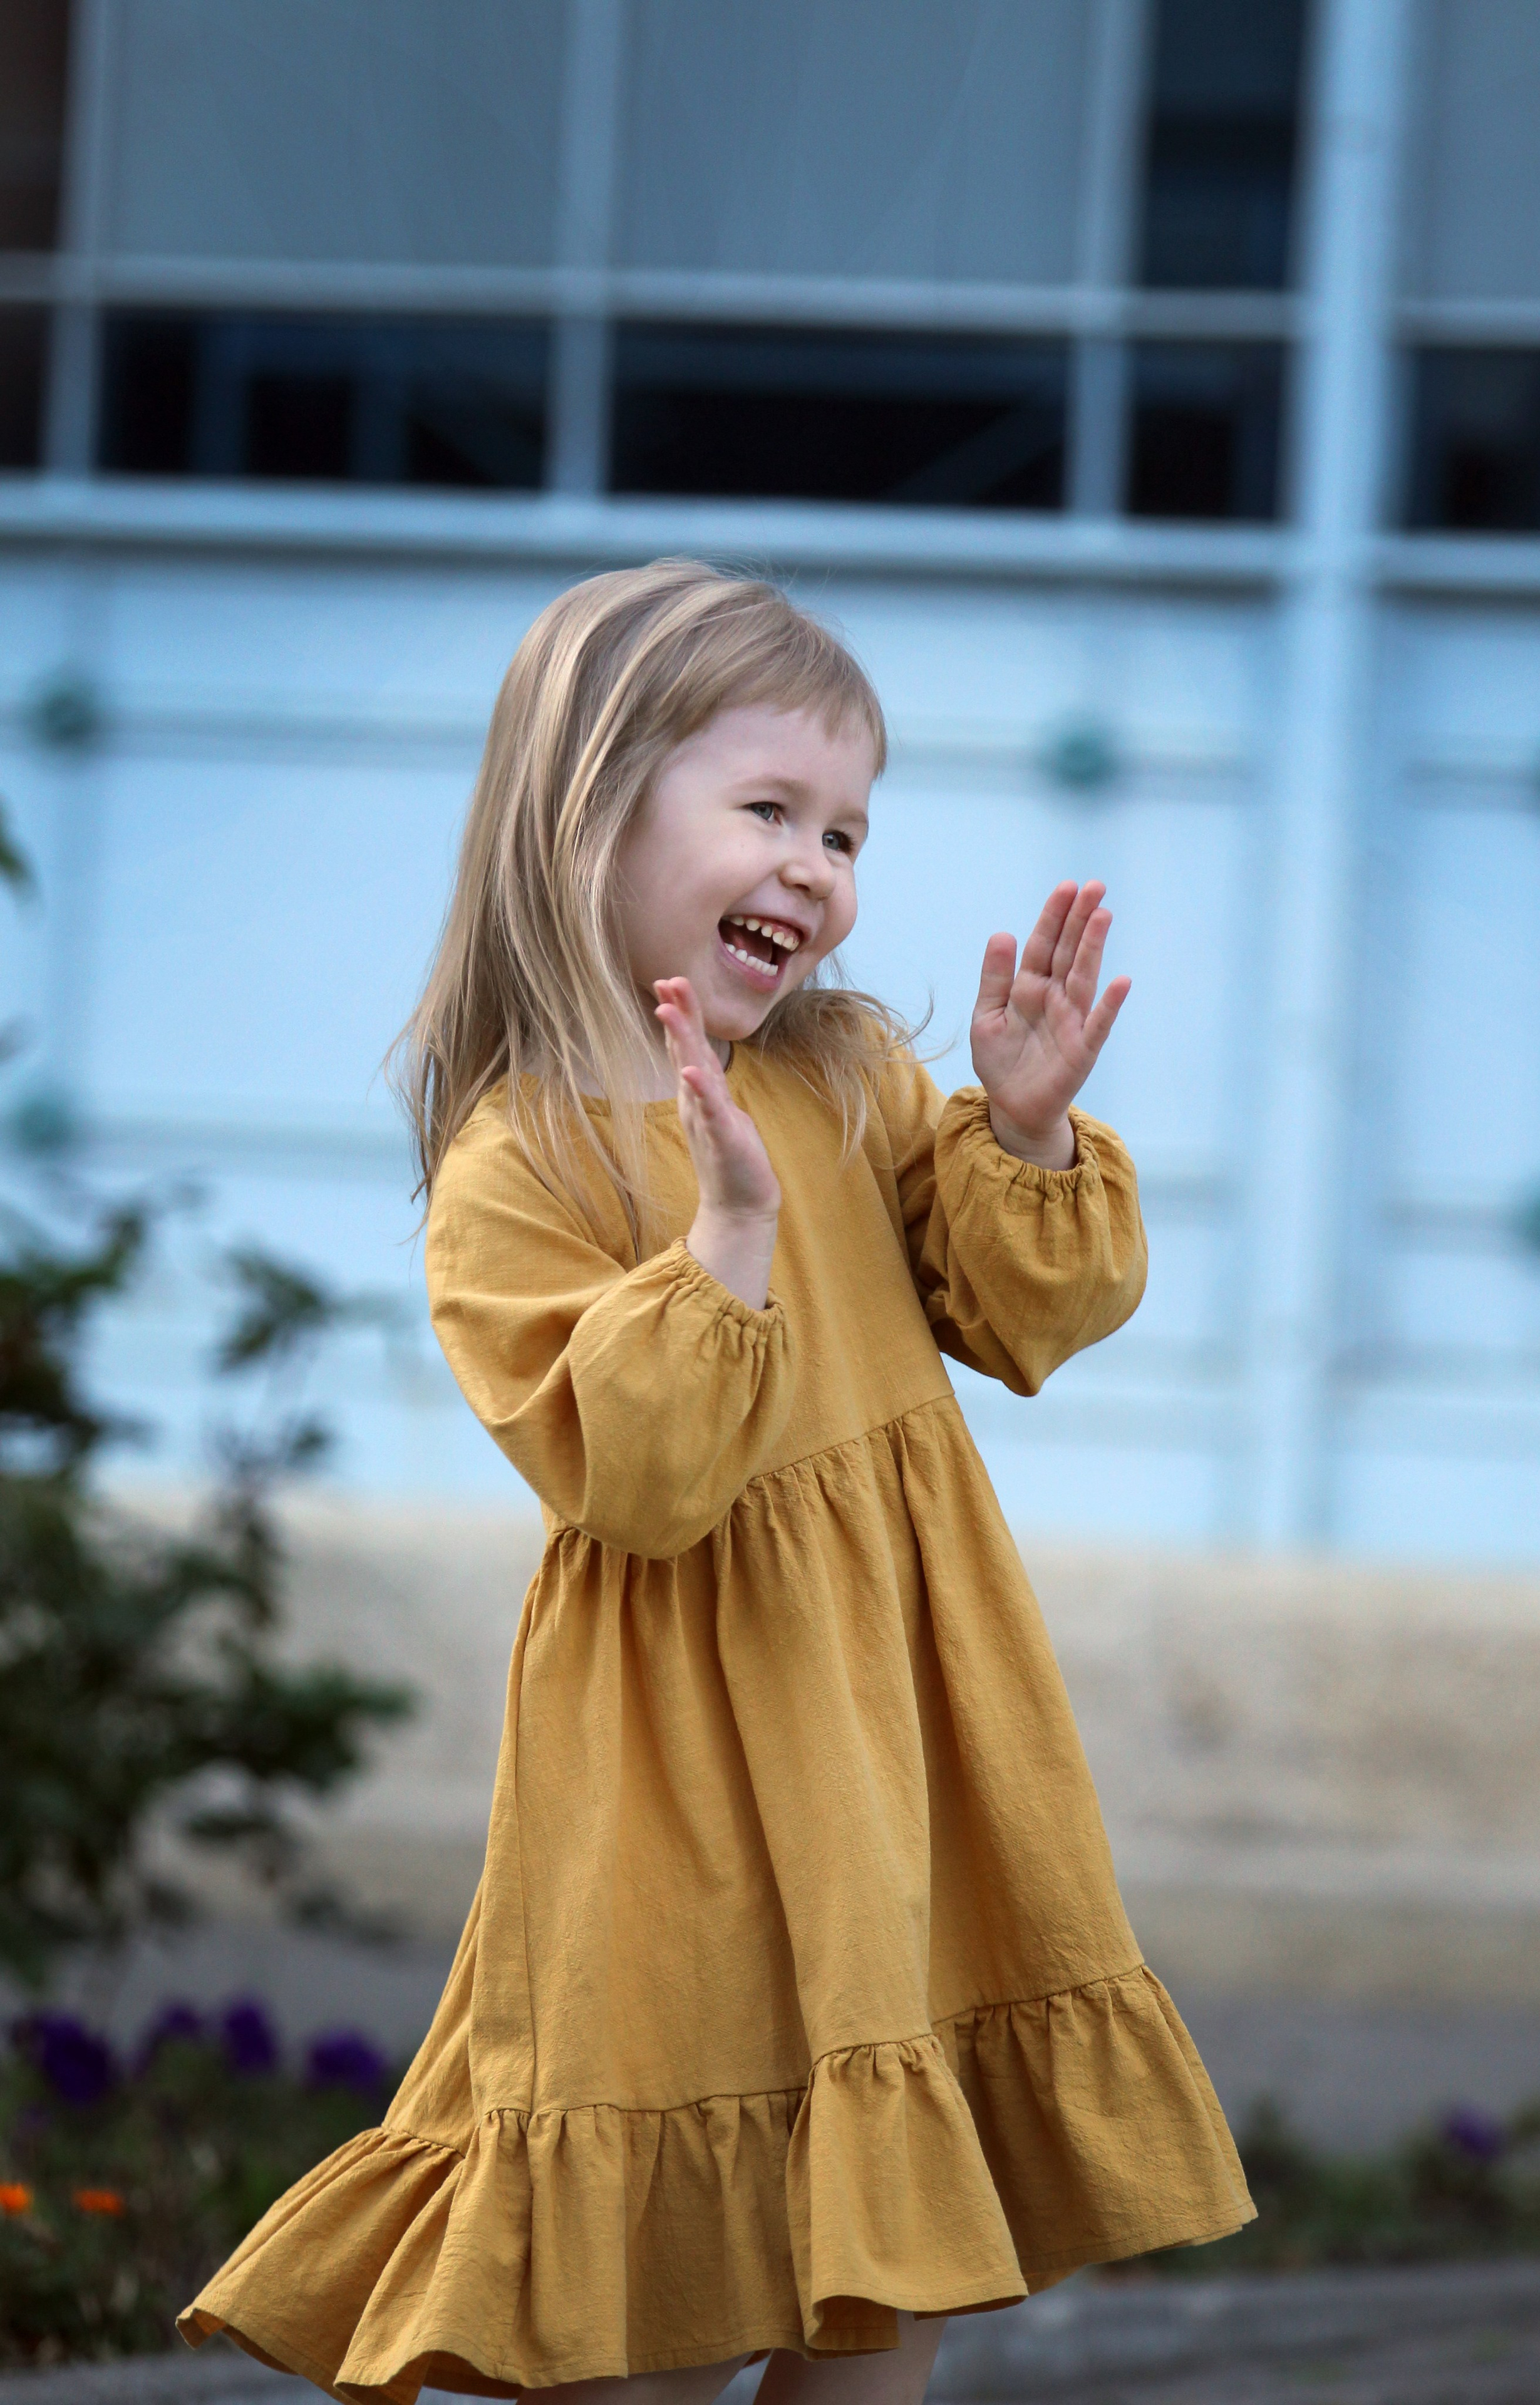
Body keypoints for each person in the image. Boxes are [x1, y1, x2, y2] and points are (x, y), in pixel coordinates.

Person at [180, 561, 1251, 2405]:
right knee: (657, 2291)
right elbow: (645, 1481)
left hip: (889, 1744)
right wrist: (729, 1239)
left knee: (882, 2272)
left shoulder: (846, 1076)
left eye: (847, 829)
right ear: (593, 807)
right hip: (665, 1788)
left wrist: (1022, 1125)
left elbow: (1024, 1313)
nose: (819, 867)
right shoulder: (520, 1166)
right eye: (769, 810)